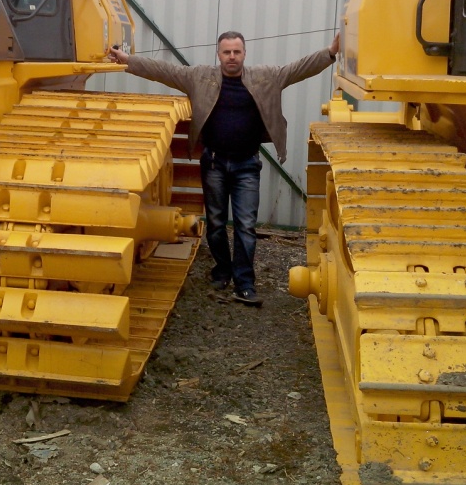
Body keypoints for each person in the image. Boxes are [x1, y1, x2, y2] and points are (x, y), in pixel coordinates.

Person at [108, 31, 339, 307]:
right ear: (218, 54)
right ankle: (222, 271)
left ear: (244, 54)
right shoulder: (199, 77)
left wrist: (330, 52)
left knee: (245, 226)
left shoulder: (266, 77)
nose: (232, 57)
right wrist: (128, 60)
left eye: (236, 52)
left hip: (247, 165)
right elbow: (163, 71)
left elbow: (299, 69)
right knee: (216, 224)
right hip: (214, 163)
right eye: (226, 52)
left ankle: (244, 283)